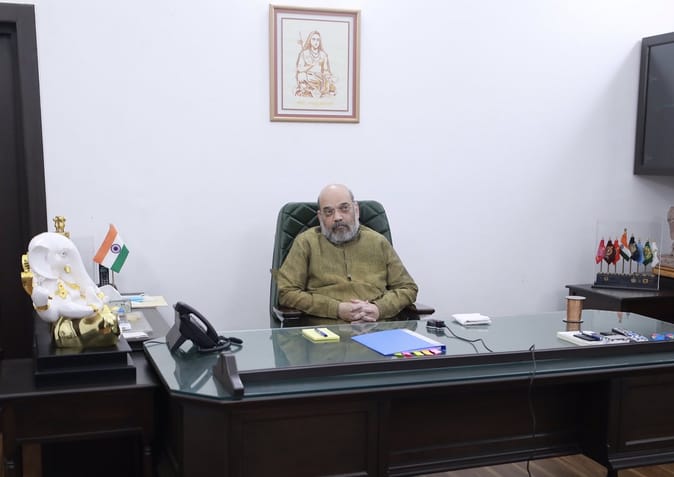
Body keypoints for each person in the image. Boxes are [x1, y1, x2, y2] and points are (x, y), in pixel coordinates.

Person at [275, 184, 419, 322]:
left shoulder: (378, 242)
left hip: (377, 326)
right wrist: (335, 309)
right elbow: (286, 292)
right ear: (320, 217)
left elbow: (408, 288)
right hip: (325, 328)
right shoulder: (306, 242)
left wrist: (379, 308)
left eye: (344, 208)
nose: (337, 217)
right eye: (329, 212)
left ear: (356, 210)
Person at [295, 31, 336, 98]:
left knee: (331, 79)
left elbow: (325, 70)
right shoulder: (304, 53)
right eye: (313, 39)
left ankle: (311, 90)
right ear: (310, 40)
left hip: (319, 78)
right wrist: (312, 65)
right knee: (301, 76)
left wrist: (328, 75)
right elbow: (299, 69)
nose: (316, 42)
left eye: (318, 40)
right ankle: (311, 90)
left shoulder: (323, 55)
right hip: (308, 77)